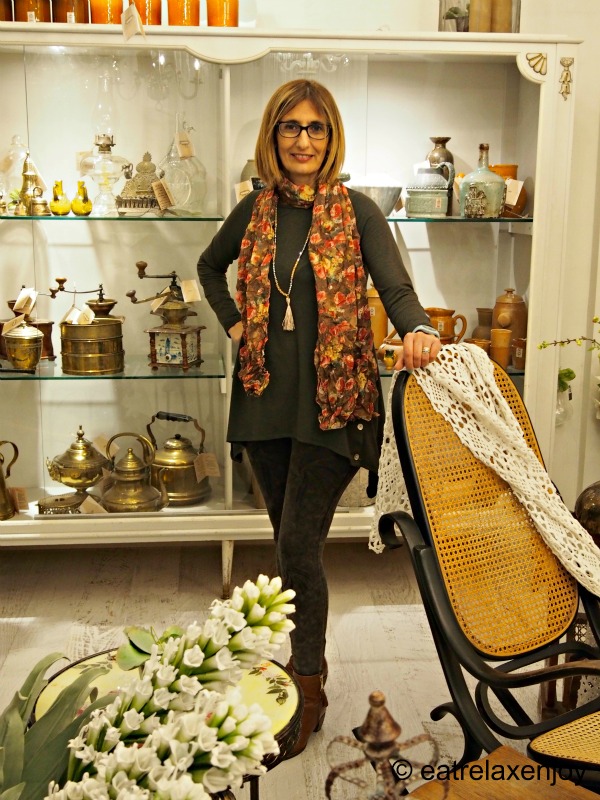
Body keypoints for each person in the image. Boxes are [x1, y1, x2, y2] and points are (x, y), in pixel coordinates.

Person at [197, 78, 441, 756]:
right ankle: (311, 667)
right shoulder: (254, 210)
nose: (303, 140)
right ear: (273, 136)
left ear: (331, 138)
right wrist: (236, 324)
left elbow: (396, 289)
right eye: (291, 127)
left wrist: (420, 329)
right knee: (289, 546)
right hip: (264, 401)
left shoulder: (358, 212)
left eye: (316, 128)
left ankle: (306, 684)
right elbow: (209, 267)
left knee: (297, 549)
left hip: (337, 408)